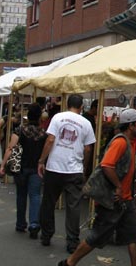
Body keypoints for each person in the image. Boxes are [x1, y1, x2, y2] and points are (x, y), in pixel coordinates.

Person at [57, 108, 136, 266]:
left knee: (134, 235)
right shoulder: (120, 142)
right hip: (113, 200)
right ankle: (68, 264)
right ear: (130, 126)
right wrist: (118, 186)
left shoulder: (129, 142)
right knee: (96, 237)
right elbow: (107, 165)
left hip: (124, 200)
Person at [37, 94, 95, 252]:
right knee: (73, 206)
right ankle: (72, 241)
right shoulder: (86, 123)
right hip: (74, 170)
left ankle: (46, 235)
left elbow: (50, 140)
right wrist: (84, 167)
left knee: (49, 202)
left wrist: (42, 160)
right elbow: (88, 149)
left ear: (67, 104)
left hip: (54, 167)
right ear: (81, 106)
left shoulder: (57, 118)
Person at [0, 103, 46, 237]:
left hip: (20, 168)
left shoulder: (20, 130)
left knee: (21, 195)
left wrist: (3, 165)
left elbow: (10, 148)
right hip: (36, 168)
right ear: (39, 117)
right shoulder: (44, 133)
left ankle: (20, 223)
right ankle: (34, 224)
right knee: (35, 196)